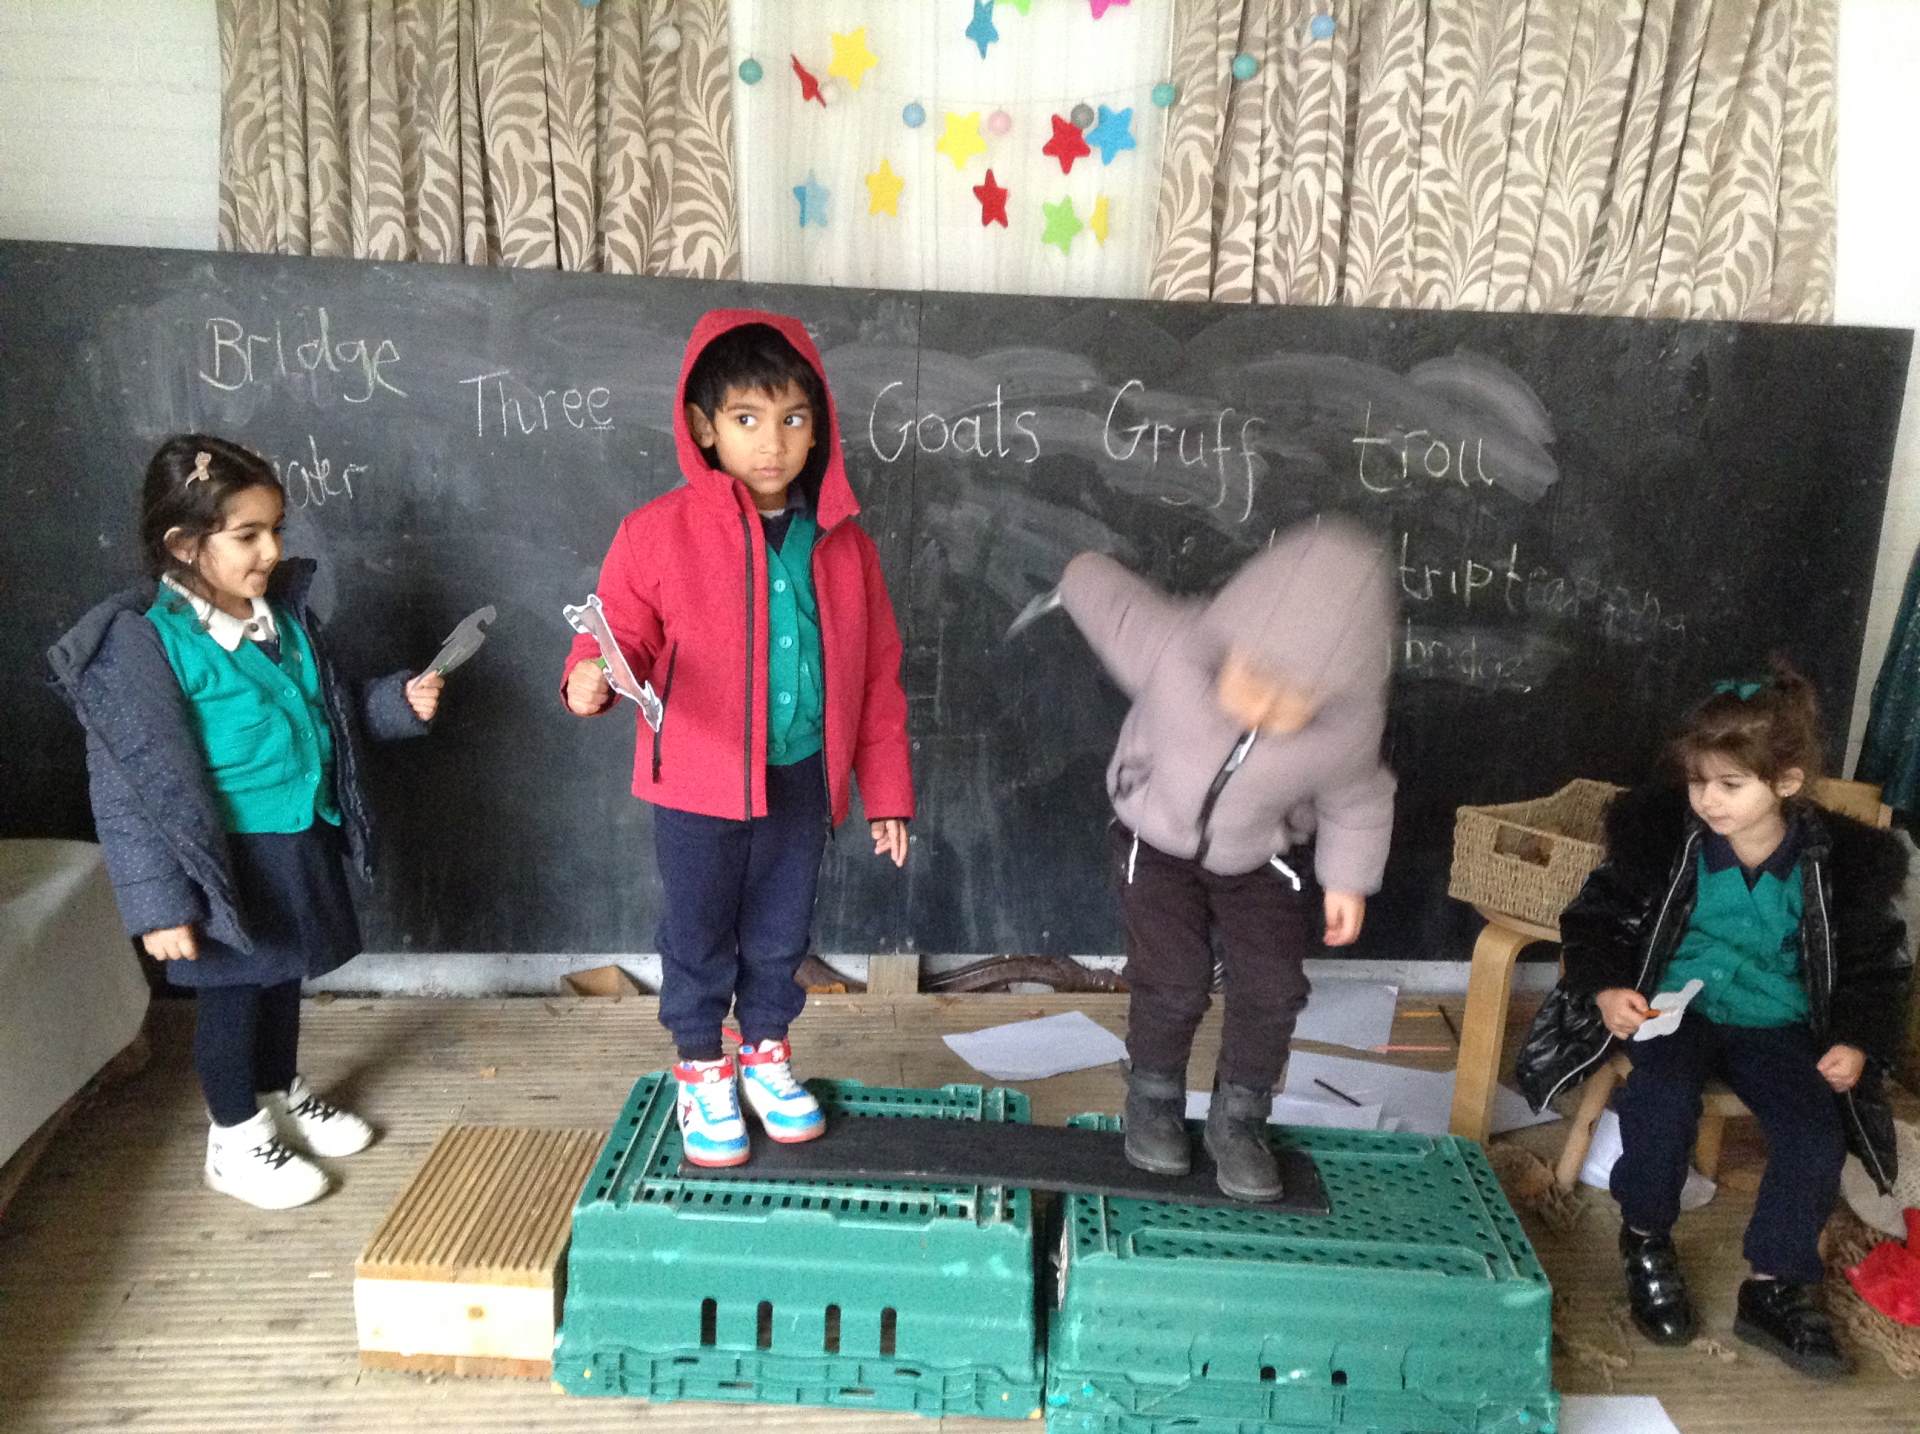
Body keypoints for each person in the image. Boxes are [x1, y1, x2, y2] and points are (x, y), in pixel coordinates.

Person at [48, 434, 443, 1209]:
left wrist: (395, 704)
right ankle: (235, 1137)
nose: (272, 550)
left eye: (276, 529)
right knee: (232, 998)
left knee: (281, 977)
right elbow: (130, 790)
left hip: (294, 838)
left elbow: (327, 711)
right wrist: (159, 906)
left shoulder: (280, 616)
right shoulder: (145, 645)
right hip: (222, 863)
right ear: (183, 544)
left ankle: (276, 1089)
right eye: (247, 535)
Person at [562, 311, 913, 1167]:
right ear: (703, 427)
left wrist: (887, 793)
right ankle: (700, 1068)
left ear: (818, 427)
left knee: (782, 934)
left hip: (801, 779)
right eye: (747, 419)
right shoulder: (657, 531)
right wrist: (588, 674)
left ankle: (764, 1054)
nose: (772, 442)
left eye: (793, 418)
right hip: (696, 781)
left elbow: (877, 677)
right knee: (697, 934)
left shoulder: (845, 545)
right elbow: (616, 632)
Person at [1517, 665, 1911, 1377]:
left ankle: (1775, 1286)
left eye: (1731, 785)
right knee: (1659, 1100)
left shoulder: (1837, 864)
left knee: (1813, 1133)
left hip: (1777, 1024)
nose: (1708, 800)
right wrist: (1606, 988)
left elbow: (1875, 967)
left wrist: (1855, 1039)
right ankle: (1646, 1238)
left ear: (1786, 782)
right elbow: (1595, 918)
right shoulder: (1667, 840)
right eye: (1699, 782)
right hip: (1677, 1013)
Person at [1054, 518, 1396, 1201]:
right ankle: (1153, 1097)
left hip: (1257, 856)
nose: (1264, 707)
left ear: (1334, 692)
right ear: (1230, 637)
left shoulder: (1347, 726)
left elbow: (1358, 797)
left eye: (1295, 698)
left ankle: (1240, 1117)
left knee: (1273, 988)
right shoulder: (1175, 647)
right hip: (1154, 842)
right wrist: (1079, 571)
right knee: (1175, 979)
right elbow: (1114, 606)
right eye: (1256, 678)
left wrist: (1347, 881)